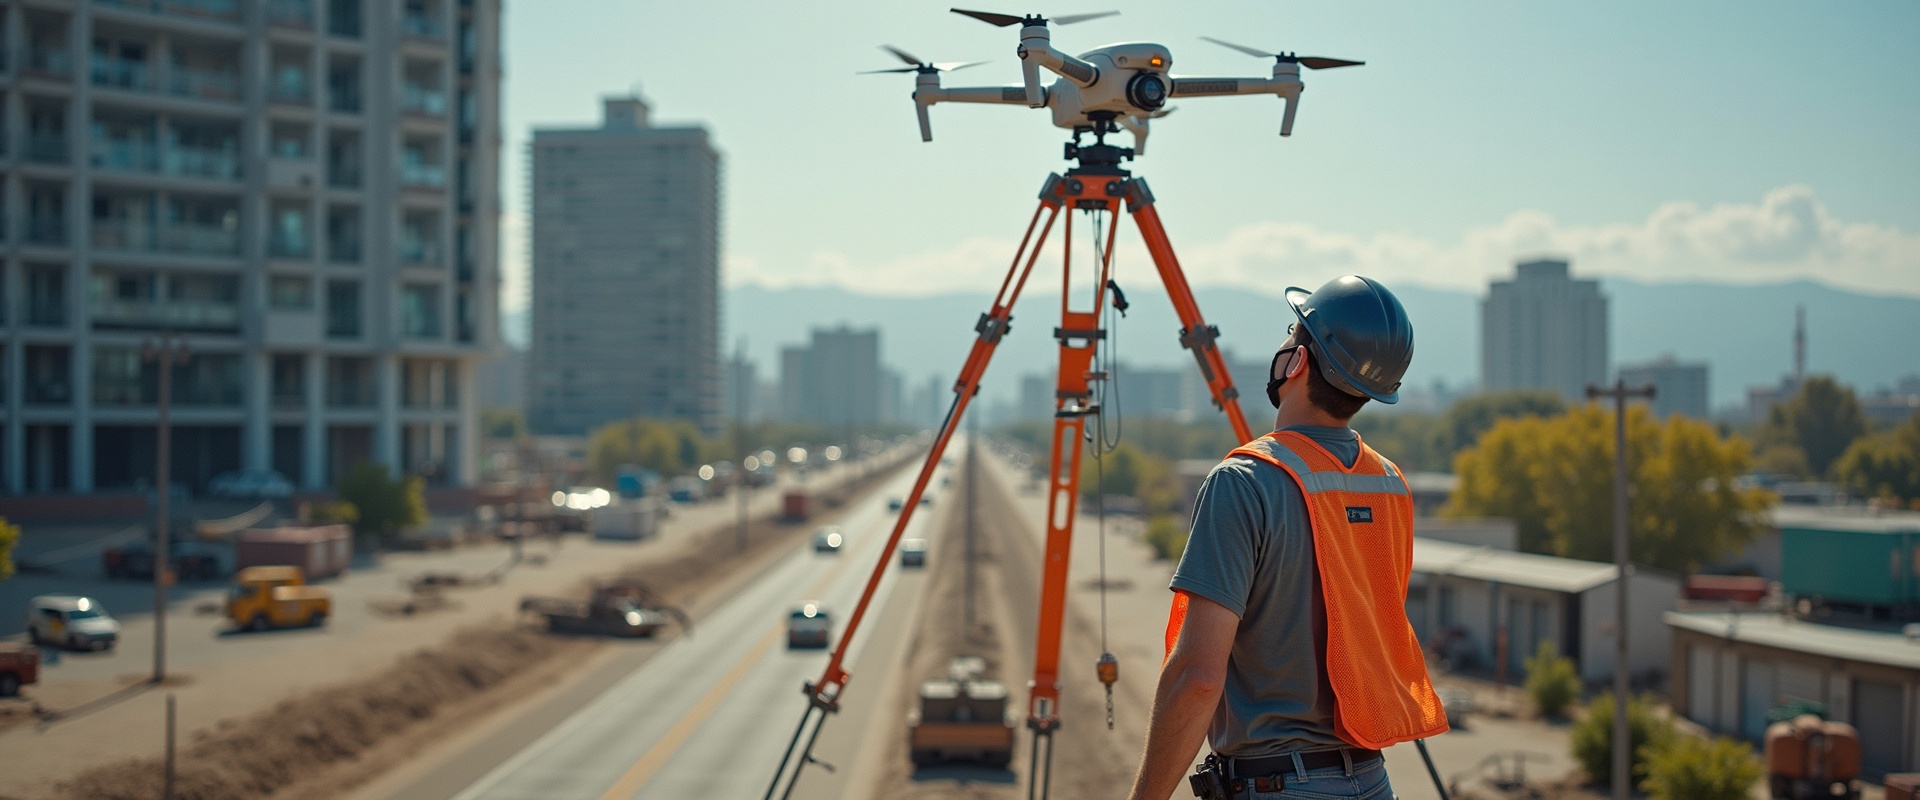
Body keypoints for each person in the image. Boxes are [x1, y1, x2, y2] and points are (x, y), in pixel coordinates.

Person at [1126, 275, 1446, 800]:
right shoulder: (1390, 485)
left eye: (1291, 332)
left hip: (1278, 784)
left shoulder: (1244, 483)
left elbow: (1198, 678)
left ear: (1296, 362)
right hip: (1372, 781)